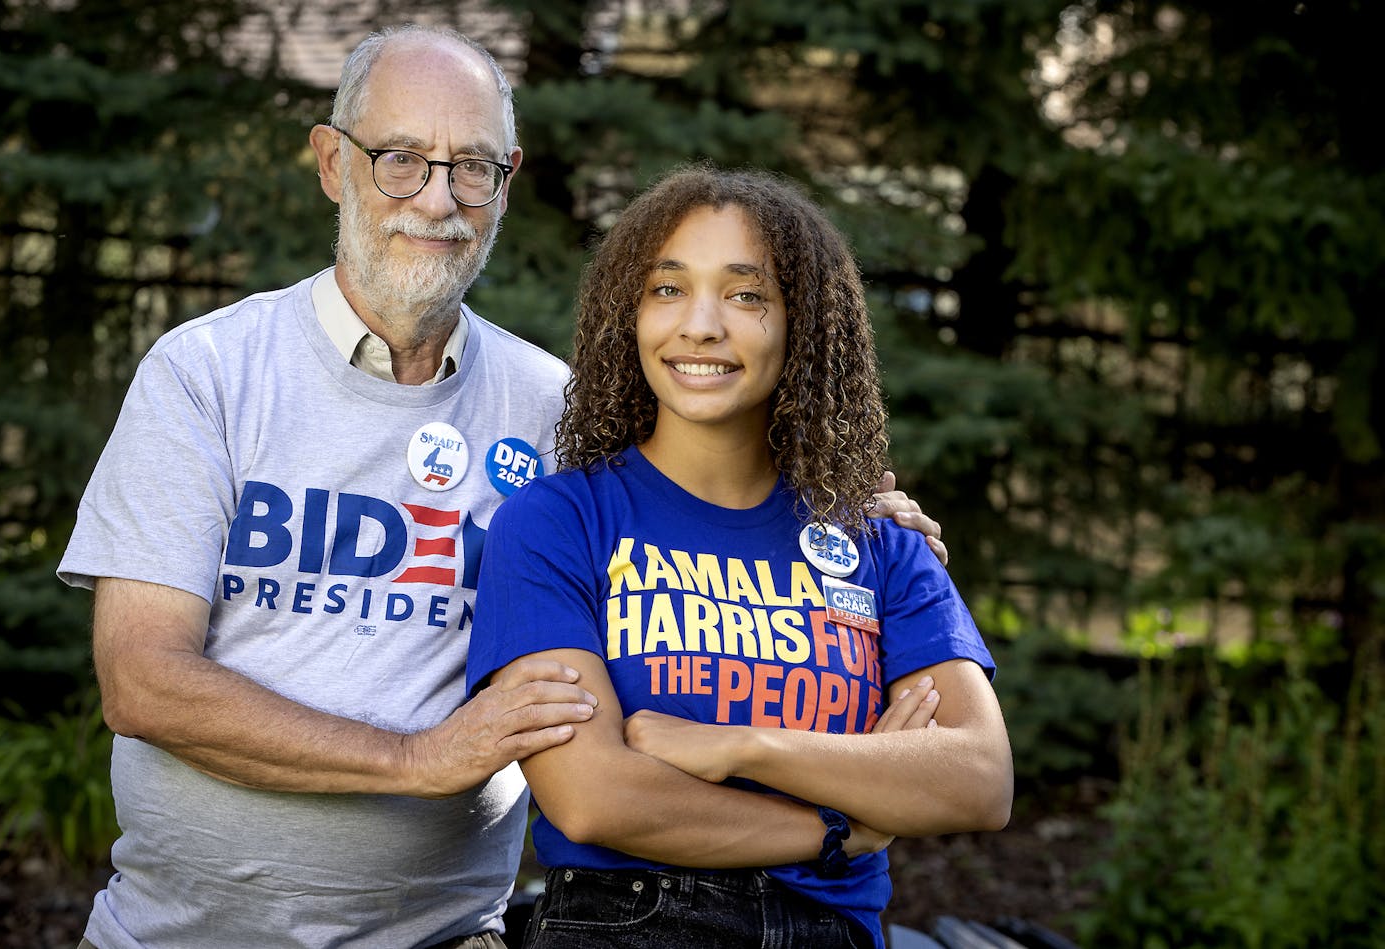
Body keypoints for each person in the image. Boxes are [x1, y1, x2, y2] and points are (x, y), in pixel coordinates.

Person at [56, 24, 946, 949]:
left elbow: (715, 490)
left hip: (447, 938)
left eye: (472, 167)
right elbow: (144, 682)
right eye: (400, 158)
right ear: (332, 162)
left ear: (507, 179)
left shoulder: (556, 406)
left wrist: (847, 514)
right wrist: (416, 758)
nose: (437, 200)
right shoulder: (207, 372)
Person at [465, 165, 1012, 949]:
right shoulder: (557, 521)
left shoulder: (881, 543)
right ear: (631, 314)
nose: (701, 324)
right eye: (667, 289)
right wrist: (843, 822)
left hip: (835, 930)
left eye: (746, 294)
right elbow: (593, 797)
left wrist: (740, 747)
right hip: (627, 924)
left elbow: (979, 777)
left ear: (803, 323)